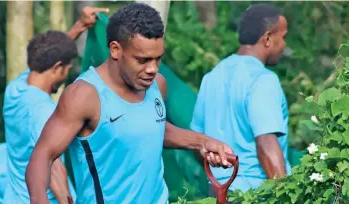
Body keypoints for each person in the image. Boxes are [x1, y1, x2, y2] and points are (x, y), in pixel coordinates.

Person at [25, 3, 234, 204]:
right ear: (116, 50)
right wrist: (39, 199)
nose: (152, 68)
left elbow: (151, 127)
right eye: (143, 60)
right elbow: (43, 155)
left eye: (157, 59)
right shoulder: (84, 96)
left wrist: (203, 142)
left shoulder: (156, 85)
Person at [2, 7, 109, 204]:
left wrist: (80, 26)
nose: (66, 75)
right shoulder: (43, 111)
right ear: (57, 68)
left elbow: (48, 55)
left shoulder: (14, 90)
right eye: (66, 70)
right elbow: (53, 167)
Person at [190, 3, 291, 194]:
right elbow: (266, 144)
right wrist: (285, 195)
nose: (284, 45)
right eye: (283, 37)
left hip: (218, 191)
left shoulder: (212, 77)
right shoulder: (263, 80)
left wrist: (220, 172)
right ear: (267, 38)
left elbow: (197, 142)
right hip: (256, 194)